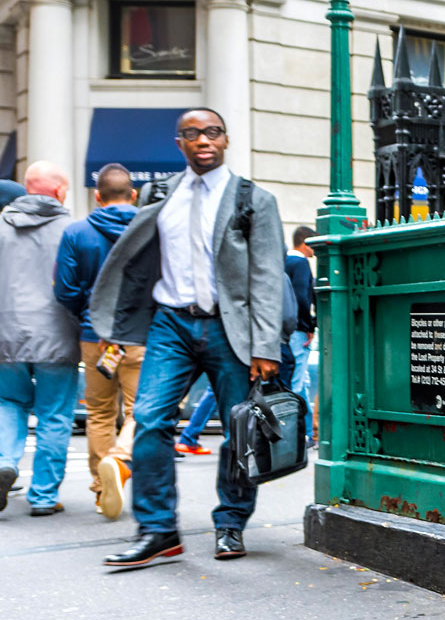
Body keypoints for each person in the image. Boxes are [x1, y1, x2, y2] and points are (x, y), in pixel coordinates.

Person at [91, 110, 285, 570]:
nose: (203, 140)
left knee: (240, 431)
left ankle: (231, 521)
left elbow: (267, 276)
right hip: (170, 324)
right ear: (179, 142)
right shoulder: (160, 195)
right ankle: (158, 531)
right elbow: (135, 260)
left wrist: (265, 346)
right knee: (150, 419)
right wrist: (120, 324)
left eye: (212, 132)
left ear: (226, 140)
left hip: (229, 328)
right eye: (192, 133)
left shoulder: (252, 199)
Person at [54, 164, 142, 519]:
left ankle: (102, 485)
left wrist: (88, 314)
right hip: (140, 333)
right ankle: (121, 462)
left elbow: (65, 290)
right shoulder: (149, 229)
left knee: (99, 413)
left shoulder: (76, 232)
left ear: (97, 196)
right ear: (133, 194)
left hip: (95, 336)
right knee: (142, 410)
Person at [0, 162, 81, 516]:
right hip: (57, 336)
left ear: (27, 188)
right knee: (55, 414)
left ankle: (5, 462)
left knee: (7, 403)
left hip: (5, 336)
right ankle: (44, 496)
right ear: (60, 191)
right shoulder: (74, 231)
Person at [287, 226, 318, 443]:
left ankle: (307, 434)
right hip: (299, 330)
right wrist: (309, 325)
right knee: (297, 384)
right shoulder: (300, 263)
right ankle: (294, 436)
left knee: (303, 382)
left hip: (286, 328)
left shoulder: (284, 261)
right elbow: (301, 297)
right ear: (305, 243)